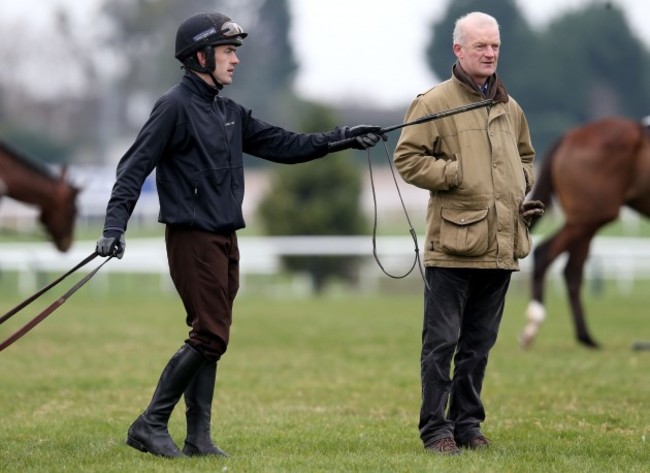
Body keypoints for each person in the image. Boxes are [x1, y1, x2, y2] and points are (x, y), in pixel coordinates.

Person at [95, 12, 385, 459]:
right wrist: (114, 226)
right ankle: (149, 424)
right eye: (228, 51)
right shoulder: (173, 106)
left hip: (225, 238)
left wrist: (344, 138)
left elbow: (285, 145)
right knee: (211, 334)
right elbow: (133, 168)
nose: (235, 60)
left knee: (209, 334)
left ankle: (197, 438)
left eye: (235, 52)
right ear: (200, 56)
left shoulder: (230, 112)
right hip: (191, 238)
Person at [393, 12, 544, 455]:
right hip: (453, 247)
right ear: (458, 50)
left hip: (500, 246)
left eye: (494, 45)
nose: (489, 53)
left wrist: (520, 182)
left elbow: (527, 156)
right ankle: (435, 430)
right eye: (480, 45)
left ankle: (468, 426)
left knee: (478, 347)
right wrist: (457, 172)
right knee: (441, 344)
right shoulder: (433, 102)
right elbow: (408, 158)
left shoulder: (509, 106)